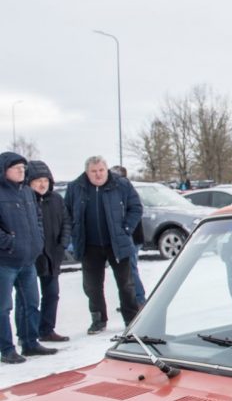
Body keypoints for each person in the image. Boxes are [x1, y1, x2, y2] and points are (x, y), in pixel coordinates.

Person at [65, 155, 143, 334]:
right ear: (87, 172)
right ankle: (98, 320)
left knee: (126, 284)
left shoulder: (121, 184)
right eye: (94, 171)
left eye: (101, 170)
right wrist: (73, 235)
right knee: (92, 286)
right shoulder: (75, 187)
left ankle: (131, 320)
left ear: (106, 169)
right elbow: (66, 214)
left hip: (117, 242)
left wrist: (126, 228)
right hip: (89, 244)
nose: (98, 175)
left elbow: (136, 207)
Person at [0, 152, 56, 363]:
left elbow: (38, 219)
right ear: (5, 170)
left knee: (31, 303)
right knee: (3, 307)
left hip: (28, 260)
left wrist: (38, 240)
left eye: (23, 168)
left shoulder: (27, 192)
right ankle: (6, 349)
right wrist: (10, 243)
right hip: (5, 262)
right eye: (17, 168)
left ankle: (30, 342)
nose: (22, 171)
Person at [13, 161, 71, 343]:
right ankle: (27, 334)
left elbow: (66, 223)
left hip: (53, 254)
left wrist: (63, 245)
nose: (42, 184)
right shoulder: (24, 200)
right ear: (29, 182)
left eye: (45, 180)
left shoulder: (56, 199)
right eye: (37, 180)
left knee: (52, 294)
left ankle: (47, 329)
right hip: (32, 256)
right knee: (28, 299)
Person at [111, 165, 146, 306]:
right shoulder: (119, 190)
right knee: (129, 270)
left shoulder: (124, 190)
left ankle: (138, 299)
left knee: (130, 269)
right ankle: (132, 299)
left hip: (132, 237)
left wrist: (126, 230)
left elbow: (135, 212)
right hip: (130, 237)